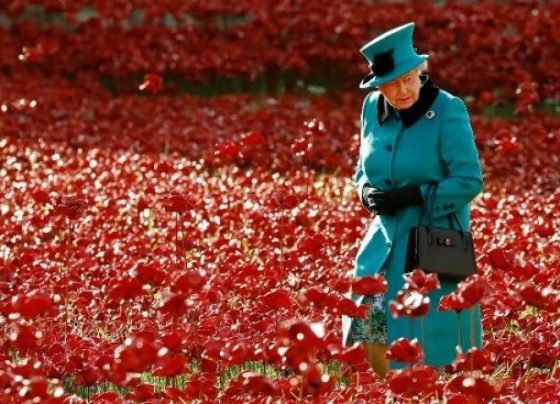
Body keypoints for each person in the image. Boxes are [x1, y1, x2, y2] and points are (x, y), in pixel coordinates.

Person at [341, 22, 484, 377]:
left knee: (428, 336)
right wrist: (365, 192)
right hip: (383, 242)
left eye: (408, 79)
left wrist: (417, 195)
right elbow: (362, 169)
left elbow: (469, 180)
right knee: (367, 324)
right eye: (390, 84)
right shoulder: (371, 108)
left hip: (431, 243)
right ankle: (384, 390)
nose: (402, 90)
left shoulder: (448, 110)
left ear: (422, 72)